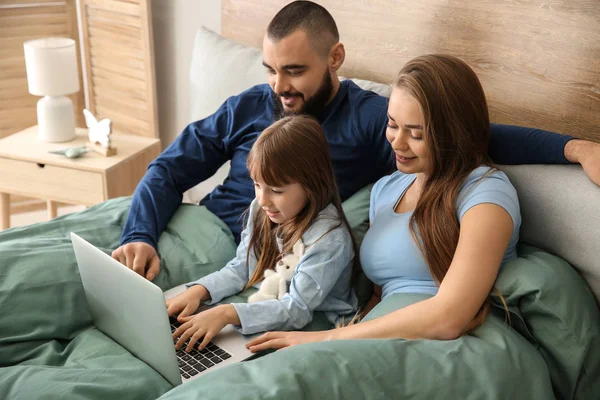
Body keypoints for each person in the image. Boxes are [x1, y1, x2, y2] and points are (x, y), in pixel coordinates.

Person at [111, 1, 600, 282]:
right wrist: (137, 232)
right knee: (79, 256)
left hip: (231, 246)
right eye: (272, 70)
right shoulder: (249, 104)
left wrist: (574, 147)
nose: (279, 86)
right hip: (176, 218)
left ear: (336, 57)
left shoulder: (372, 121)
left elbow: (464, 133)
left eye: (295, 70)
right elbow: (167, 168)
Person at [245, 54, 525, 351]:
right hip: (377, 335)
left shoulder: (484, 192)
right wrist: (339, 339)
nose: (397, 142)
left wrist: (326, 339)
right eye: (393, 125)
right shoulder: (386, 189)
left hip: (450, 342)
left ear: (453, 133)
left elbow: (449, 317)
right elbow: (378, 296)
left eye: (416, 133)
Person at [165, 115, 358, 352]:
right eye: (257, 184)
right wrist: (199, 291)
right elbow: (243, 267)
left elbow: (297, 309)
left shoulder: (329, 239)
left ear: (312, 184)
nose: (262, 199)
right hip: (268, 300)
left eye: (276, 190)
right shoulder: (263, 210)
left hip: (316, 325)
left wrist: (227, 313)